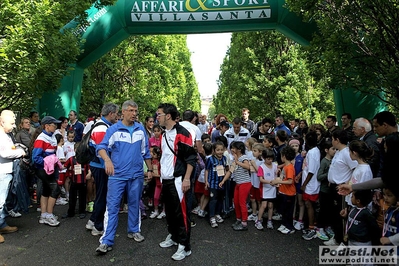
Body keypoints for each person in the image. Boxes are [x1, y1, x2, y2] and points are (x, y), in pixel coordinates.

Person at [95, 100, 152, 254]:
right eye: (132, 111)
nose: (134, 114)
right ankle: (107, 240)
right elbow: (101, 148)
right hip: (117, 176)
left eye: (136, 111)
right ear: (124, 112)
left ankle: (134, 230)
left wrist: (151, 169)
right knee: (112, 207)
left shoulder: (141, 129)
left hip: (136, 175)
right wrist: (107, 160)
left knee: (134, 203)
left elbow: (145, 152)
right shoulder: (113, 129)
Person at [156, 103, 197, 261]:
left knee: (182, 214)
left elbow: (191, 158)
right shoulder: (164, 133)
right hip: (166, 179)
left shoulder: (183, 133)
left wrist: (186, 179)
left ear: (168, 115)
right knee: (170, 212)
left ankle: (184, 246)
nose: (156, 117)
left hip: (179, 180)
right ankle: (173, 237)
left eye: (159, 114)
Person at [85, 103, 119, 236]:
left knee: (101, 194)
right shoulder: (101, 128)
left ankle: (93, 220)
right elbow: (101, 151)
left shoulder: (103, 126)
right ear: (111, 113)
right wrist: (108, 167)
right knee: (102, 195)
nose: (117, 116)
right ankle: (98, 226)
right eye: (116, 113)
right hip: (100, 166)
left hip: (99, 166)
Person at [324, 129, 358, 246]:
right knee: (334, 214)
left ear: (337, 140)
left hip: (342, 188)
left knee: (341, 214)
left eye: (332, 139)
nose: (331, 141)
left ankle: (343, 241)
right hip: (333, 186)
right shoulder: (339, 151)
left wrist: (347, 184)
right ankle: (337, 237)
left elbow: (355, 169)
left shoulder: (347, 153)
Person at [32, 116, 62, 227]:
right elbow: (35, 158)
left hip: (50, 169)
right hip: (43, 169)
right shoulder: (41, 139)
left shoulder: (52, 136)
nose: (56, 127)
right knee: (55, 189)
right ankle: (49, 215)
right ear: (47, 126)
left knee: (46, 190)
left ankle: (43, 215)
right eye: (54, 125)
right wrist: (48, 162)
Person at [0, 110, 25, 243]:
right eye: (11, 123)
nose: (14, 126)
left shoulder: (7, 133)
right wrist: (20, 152)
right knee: (0, 201)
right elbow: (4, 153)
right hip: (2, 172)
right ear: (2, 122)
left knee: (3, 201)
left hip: (7, 171)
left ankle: (2, 225)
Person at [219, 141, 251, 231]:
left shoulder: (244, 157)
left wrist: (237, 161)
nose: (232, 150)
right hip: (238, 183)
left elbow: (247, 166)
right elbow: (230, 171)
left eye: (233, 148)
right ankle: (238, 219)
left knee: (242, 203)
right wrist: (223, 181)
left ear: (239, 149)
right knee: (236, 202)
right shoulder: (234, 159)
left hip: (245, 183)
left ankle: (244, 223)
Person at [270, 146, 296, 235]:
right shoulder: (286, 166)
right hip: (283, 192)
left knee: (288, 211)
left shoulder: (289, 168)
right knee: (284, 210)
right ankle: (284, 224)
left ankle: (289, 227)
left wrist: (278, 181)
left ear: (284, 156)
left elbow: (290, 181)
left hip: (289, 193)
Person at [301, 131, 321, 241]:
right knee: (308, 204)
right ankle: (310, 225)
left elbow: (311, 171)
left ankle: (312, 228)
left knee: (309, 205)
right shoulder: (313, 151)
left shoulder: (313, 153)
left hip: (311, 184)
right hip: (309, 183)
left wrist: (304, 184)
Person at [204, 141, 228, 228]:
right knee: (213, 199)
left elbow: (225, 169)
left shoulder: (224, 158)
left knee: (220, 199)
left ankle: (218, 213)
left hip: (221, 183)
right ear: (214, 150)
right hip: (212, 183)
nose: (220, 152)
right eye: (218, 150)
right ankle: (211, 216)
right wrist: (206, 181)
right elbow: (207, 170)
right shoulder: (210, 159)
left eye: (222, 150)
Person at [316, 139, 336, 240]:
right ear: (326, 150)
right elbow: (319, 176)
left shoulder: (334, 160)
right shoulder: (324, 161)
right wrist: (329, 173)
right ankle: (319, 227)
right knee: (323, 210)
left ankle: (327, 226)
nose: (335, 151)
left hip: (331, 190)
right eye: (333, 149)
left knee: (330, 210)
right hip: (324, 190)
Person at [62, 143, 88, 219]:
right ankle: (71, 212)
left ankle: (82, 211)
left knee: (82, 197)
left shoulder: (85, 159)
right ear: (75, 150)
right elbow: (64, 166)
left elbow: (89, 168)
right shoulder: (71, 159)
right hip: (74, 181)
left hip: (83, 181)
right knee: (72, 197)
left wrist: (89, 173)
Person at [255, 148, 277, 230]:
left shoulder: (275, 165)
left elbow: (277, 172)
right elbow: (261, 179)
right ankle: (258, 220)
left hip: (272, 188)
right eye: (268, 159)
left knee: (270, 205)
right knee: (263, 205)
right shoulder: (261, 167)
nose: (270, 160)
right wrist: (270, 182)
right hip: (265, 188)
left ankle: (269, 220)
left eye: (271, 159)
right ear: (264, 158)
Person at [148, 146, 164, 219]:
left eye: (153, 153)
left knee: (164, 198)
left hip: (162, 183)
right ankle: (156, 211)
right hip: (157, 183)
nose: (151, 154)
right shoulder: (151, 161)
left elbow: (161, 174)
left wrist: (153, 174)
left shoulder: (161, 162)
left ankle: (164, 211)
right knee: (156, 197)